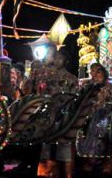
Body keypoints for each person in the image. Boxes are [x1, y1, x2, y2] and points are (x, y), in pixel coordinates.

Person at [37, 50, 78, 178]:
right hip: (48, 115)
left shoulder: (72, 78)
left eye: (60, 58)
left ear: (65, 61)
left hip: (65, 116)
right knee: (47, 143)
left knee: (65, 144)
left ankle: (68, 173)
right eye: (56, 58)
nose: (57, 61)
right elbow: (41, 94)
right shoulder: (46, 77)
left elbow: (75, 98)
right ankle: (48, 171)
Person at [76, 66, 112, 174]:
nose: (95, 74)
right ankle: (88, 160)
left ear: (104, 73)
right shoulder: (86, 84)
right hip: (87, 115)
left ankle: (107, 162)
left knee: (106, 132)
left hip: (105, 115)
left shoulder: (111, 85)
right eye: (92, 71)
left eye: (98, 71)